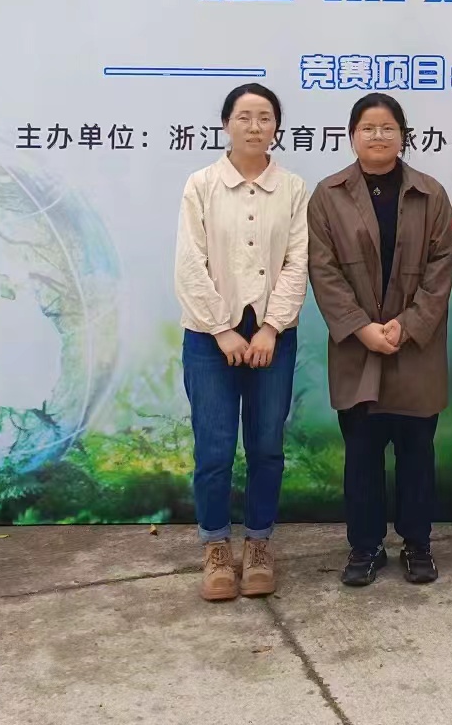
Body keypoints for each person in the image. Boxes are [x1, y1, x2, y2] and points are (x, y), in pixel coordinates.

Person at [307, 93, 452, 588]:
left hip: (416, 349)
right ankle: (365, 547)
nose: (378, 136)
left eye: (388, 127)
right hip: (357, 349)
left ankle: (418, 544)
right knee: (362, 455)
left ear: (403, 135)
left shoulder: (430, 194)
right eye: (368, 128)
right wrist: (362, 327)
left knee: (417, 453)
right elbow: (323, 270)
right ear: (352, 135)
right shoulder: (328, 195)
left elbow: (442, 266)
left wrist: (408, 325)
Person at [174, 83, 309, 602]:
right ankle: (215, 547)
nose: (255, 126)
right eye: (245, 116)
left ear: (277, 126)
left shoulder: (292, 188)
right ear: (226, 123)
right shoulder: (201, 185)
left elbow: (297, 262)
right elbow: (190, 263)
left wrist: (271, 327)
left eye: (265, 117)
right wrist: (222, 329)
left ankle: (257, 545)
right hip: (210, 339)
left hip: (273, 339)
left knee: (267, 447)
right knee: (213, 448)